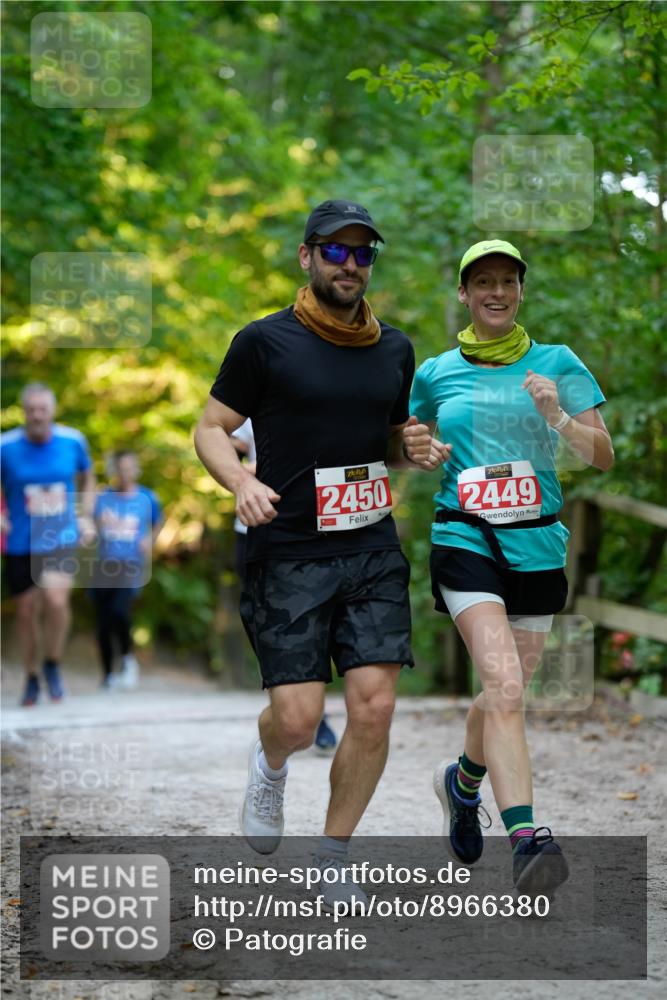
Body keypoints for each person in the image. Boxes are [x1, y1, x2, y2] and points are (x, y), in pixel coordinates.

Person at [195, 199, 415, 907]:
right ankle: (268, 761)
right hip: (287, 548)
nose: (349, 265)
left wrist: (408, 446)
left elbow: (385, 440)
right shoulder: (264, 342)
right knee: (296, 718)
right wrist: (238, 481)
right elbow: (209, 428)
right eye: (335, 251)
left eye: (362, 253)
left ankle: (332, 853)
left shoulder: (395, 349)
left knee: (374, 707)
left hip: (372, 546)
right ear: (306, 256)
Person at [404, 239, 614, 896]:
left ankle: (460, 784)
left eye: (507, 281)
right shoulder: (435, 373)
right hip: (463, 539)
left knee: (505, 690)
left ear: (520, 291)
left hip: (534, 545)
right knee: (503, 684)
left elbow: (601, 455)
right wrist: (418, 448)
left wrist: (556, 418)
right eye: (482, 282)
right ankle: (525, 838)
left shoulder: (558, 364)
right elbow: (409, 441)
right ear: (463, 294)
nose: (495, 292)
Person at [231, 418, 338, 756]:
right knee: (274, 626)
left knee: (324, 623)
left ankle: (313, 710)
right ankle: (294, 706)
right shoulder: (245, 407)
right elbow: (220, 448)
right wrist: (252, 470)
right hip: (255, 527)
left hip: (318, 524)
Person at [1, 383, 96, 706]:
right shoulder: (6, 446)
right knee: (26, 612)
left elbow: (88, 476)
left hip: (60, 537)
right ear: (24, 412)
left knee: (56, 601)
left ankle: (52, 663)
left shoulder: (73, 441)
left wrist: (85, 516)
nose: (37, 416)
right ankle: (30, 676)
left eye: (43, 409)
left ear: (52, 411)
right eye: (32, 410)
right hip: (20, 541)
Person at [90, 450, 162, 689]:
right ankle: (108, 674)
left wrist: (149, 541)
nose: (125, 473)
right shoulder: (102, 498)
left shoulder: (147, 497)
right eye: (120, 468)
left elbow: (158, 522)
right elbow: (91, 525)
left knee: (120, 611)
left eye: (129, 468)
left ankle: (128, 659)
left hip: (130, 564)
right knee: (103, 620)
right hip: (103, 565)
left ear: (136, 469)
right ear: (114, 471)